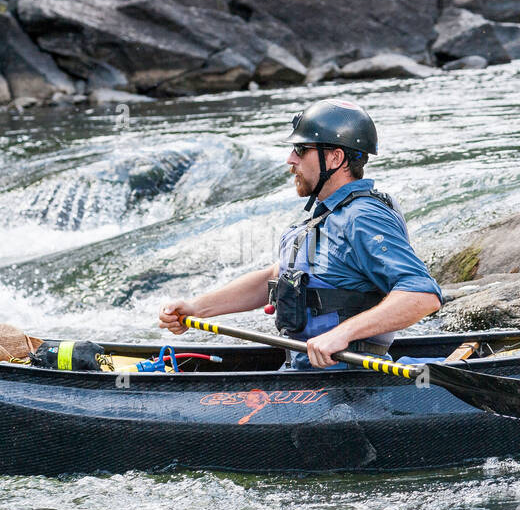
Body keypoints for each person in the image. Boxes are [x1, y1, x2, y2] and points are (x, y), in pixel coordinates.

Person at [158, 98, 443, 369]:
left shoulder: (364, 217)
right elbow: (276, 276)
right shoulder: (324, 217)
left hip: (347, 384)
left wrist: (343, 333)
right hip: (302, 371)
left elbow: (421, 294)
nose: (290, 159)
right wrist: (197, 308)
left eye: (301, 149)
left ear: (335, 158)